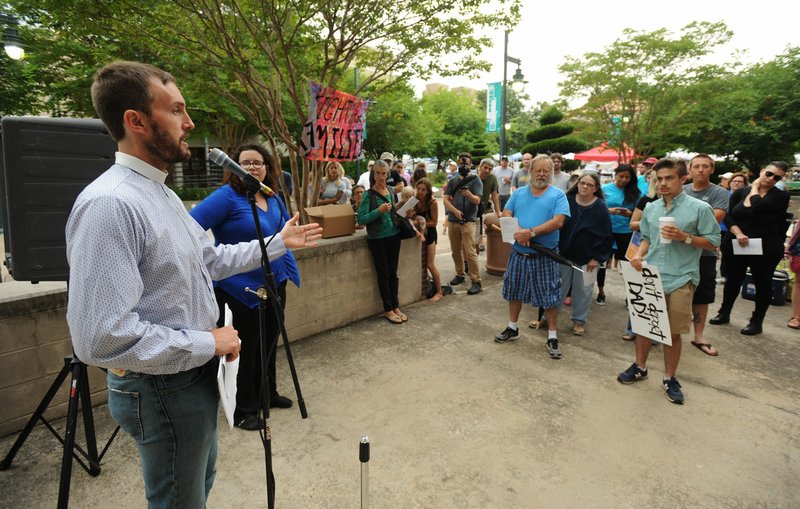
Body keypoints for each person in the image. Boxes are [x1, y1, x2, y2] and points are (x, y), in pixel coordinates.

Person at [65, 61, 322, 507]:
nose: (190, 123)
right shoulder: (110, 205)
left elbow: (209, 260)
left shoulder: (160, 193)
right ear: (136, 121)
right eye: (177, 110)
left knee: (196, 488)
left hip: (189, 381)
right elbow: (100, 338)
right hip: (163, 390)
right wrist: (208, 342)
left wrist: (278, 242)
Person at [190, 143, 299, 431]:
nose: (251, 167)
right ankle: (243, 410)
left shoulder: (270, 196)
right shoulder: (226, 198)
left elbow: (283, 233)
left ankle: (268, 395)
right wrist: (210, 259)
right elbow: (189, 227)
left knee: (269, 343)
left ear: (267, 167)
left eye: (257, 162)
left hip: (274, 283)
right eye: (245, 162)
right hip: (240, 289)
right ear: (233, 167)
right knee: (246, 350)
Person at [617, 158, 720, 405]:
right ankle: (640, 367)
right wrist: (639, 255)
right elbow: (647, 238)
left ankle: (669, 377)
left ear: (682, 178)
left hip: (681, 277)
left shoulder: (699, 208)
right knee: (644, 326)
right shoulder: (652, 208)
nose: (663, 183)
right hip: (650, 274)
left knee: (672, 333)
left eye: (669, 178)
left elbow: (714, 241)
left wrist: (684, 237)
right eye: (659, 179)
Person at [494, 154, 570, 360]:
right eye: (538, 170)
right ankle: (512, 327)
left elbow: (558, 221)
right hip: (519, 253)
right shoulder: (518, 193)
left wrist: (532, 233)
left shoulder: (558, 195)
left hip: (545, 255)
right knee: (514, 291)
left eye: (546, 171)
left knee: (550, 296)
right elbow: (507, 213)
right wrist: (519, 230)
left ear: (551, 173)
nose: (542, 174)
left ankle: (552, 335)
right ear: (530, 171)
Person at [709, 161, 791, 335]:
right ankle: (724, 312)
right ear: (762, 171)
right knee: (732, 279)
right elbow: (729, 215)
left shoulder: (780, 196)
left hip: (766, 246)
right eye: (769, 174)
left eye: (777, 178)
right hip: (738, 243)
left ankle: (757, 321)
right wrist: (737, 232)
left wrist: (754, 188)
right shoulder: (740, 193)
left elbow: (758, 206)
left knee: (762, 282)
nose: (771, 179)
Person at [683, 154, 729, 356]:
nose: (700, 170)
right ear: (689, 169)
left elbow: (713, 219)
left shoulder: (720, 192)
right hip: (679, 252)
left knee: (701, 295)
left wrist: (683, 224)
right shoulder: (681, 190)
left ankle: (698, 335)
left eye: (705, 166)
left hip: (705, 253)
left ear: (712, 169)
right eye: (697, 166)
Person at [558, 172, 613, 336]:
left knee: (583, 290)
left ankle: (579, 321)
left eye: (589, 185)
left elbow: (607, 235)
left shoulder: (601, 207)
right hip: (564, 254)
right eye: (582, 183)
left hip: (588, 258)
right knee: (557, 288)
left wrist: (597, 258)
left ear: (596, 188)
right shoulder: (567, 200)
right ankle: (549, 317)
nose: (584, 187)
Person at [357, 160, 408, 324]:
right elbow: (362, 219)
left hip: (394, 234)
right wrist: (378, 211)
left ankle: (395, 306)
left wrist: (406, 209)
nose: (380, 176)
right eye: (377, 173)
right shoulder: (368, 195)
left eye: (383, 173)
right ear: (373, 174)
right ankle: (388, 309)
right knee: (383, 274)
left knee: (393, 273)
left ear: (388, 174)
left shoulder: (391, 190)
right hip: (377, 239)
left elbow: (394, 212)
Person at [596, 164, 641, 305]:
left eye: (627, 177)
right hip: (607, 231)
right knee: (602, 264)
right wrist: (609, 211)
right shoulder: (604, 189)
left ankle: (631, 296)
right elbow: (597, 207)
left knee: (629, 265)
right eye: (621, 176)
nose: (624, 180)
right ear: (615, 175)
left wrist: (630, 214)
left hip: (627, 233)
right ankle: (601, 292)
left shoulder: (635, 192)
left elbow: (640, 214)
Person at [443, 152, 483, 295]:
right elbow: (446, 198)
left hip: (468, 221)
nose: (464, 165)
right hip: (454, 220)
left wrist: (468, 195)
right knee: (455, 251)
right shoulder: (453, 180)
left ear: (471, 164)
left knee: (470, 252)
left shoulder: (476, 180)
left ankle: (476, 280)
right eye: (461, 162)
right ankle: (460, 274)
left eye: (466, 163)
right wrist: (454, 211)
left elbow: (477, 201)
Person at [411, 178, 444, 302]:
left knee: (430, 264)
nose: (420, 192)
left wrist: (419, 222)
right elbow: (402, 214)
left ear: (428, 191)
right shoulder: (413, 200)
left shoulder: (432, 202)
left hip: (430, 234)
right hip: (419, 234)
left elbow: (434, 223)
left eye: (423, 189)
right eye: (418, 188)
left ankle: (439, 292)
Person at [477, 157, 500, 253]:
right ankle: (479, 241)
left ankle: (482, 241)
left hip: (484, 206)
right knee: (477, 223)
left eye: (490, 169)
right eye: (485, 168)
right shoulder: (474, 178)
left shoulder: (492, 178)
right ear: (480, 167)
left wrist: (498, 211)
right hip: (472, 207)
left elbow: (494, 195)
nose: (487, 170)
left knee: (485, 221)